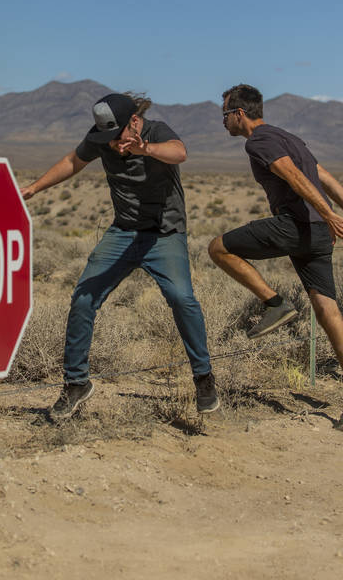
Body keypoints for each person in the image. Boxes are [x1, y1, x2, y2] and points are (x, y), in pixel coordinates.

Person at [21, 92, 219, 418]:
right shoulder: (102, 137)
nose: (112, 144)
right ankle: (76, 383)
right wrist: (34, 188)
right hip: (123, 231)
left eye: (118, 137)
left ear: (135, 123)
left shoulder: (155, 132)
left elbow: (180, 152)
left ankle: (203, 376)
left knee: (181, 298)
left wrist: (146, 149)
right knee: (83, 297)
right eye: (107, 139)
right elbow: (73, 161)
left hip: (164, 235)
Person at [208, 84, 343, 432]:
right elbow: (324, 175)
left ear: (239, 114)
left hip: (296, 225)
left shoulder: (258, 141)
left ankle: (275, 303)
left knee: (218, 248)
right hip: (317, 235)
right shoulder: (289, 136)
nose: (223, 121)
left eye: (225, 114)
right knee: (327, 308)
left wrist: (330, 216)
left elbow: (295, 176)